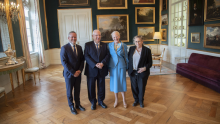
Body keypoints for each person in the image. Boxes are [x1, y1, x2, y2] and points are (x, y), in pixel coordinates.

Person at [60, 31, 85, 115]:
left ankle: (78, 105)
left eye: (75, 37)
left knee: (77, 90)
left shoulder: (79, 47)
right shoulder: (64, 48)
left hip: (78, 73)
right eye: (71, 37)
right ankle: (71, 106)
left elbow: (82, 60)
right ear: (68, 38)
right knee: (69, 91)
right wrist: (73, 72)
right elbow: (64, 62)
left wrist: (79, 70)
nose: (73, 38)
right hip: (69, 74)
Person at [84, 29, 110, 110]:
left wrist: (102, 63)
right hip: (91, 69)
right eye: (96, 35)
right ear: (93, 36)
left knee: (101, 86)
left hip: (102, 69)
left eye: (99, 35)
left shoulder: (104, 45)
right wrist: (95, 64)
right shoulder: (87, 45)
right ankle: (93, 102)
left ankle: (101, 101)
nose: (98, 37)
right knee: (91, 87)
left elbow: (107, 55)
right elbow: (86, 56)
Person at [128, 35, 152, 108]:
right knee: (134, 87)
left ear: (142, 41)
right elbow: (129, 60)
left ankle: (141, 101)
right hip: (133, 72)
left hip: (142, 72)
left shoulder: (147, 50)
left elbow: (150, 63)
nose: (137, 43)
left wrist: (144, 68)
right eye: (136, 41)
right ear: (134, 42)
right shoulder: (131, 49)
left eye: (139, 41)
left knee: (141, 88)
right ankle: (136, 100)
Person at [108, 31, 129, 108]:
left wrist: (127, 67)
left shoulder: (124, 45)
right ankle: (116, 100)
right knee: (115, 83)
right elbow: (108, 56)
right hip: (113, 66)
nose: (115, 38)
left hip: (121, 65)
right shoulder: (109, 45)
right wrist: (108, 67)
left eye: (116, 36)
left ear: (119, 36)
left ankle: (124, 100)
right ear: (112, 38)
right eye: (114, 37)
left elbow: (126, 57)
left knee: (122, 82)